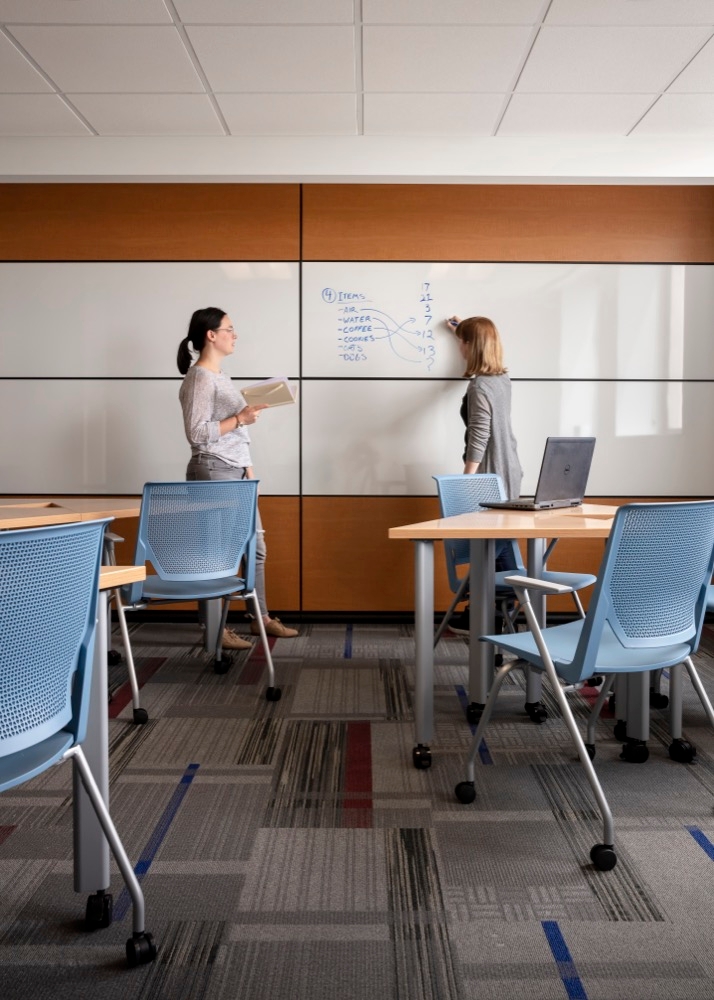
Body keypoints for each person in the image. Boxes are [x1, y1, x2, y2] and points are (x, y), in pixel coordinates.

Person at [177, 306, 298, 648]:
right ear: (210, 335)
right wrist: (241, 419)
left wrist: (249, 471)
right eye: (229, 328)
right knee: (215, 553)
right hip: (212, 470)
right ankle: (213, 630)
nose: (235, 334)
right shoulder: (200, 377)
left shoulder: (220, 376)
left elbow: (234, 434)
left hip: (236, 472)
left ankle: (260, 618)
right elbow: (197, 433)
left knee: (255, 548)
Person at [446, 315, 523, 635]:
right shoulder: (502, 379)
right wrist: (463, 329)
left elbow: (479, 435)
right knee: (501, 545)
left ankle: (482, 613)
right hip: (511, 472)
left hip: (490, 477)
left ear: (469, 346)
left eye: (461, 342)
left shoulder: (479, 387)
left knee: (491, 546)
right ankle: (505, 614)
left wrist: (468, 480)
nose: (458, 348)